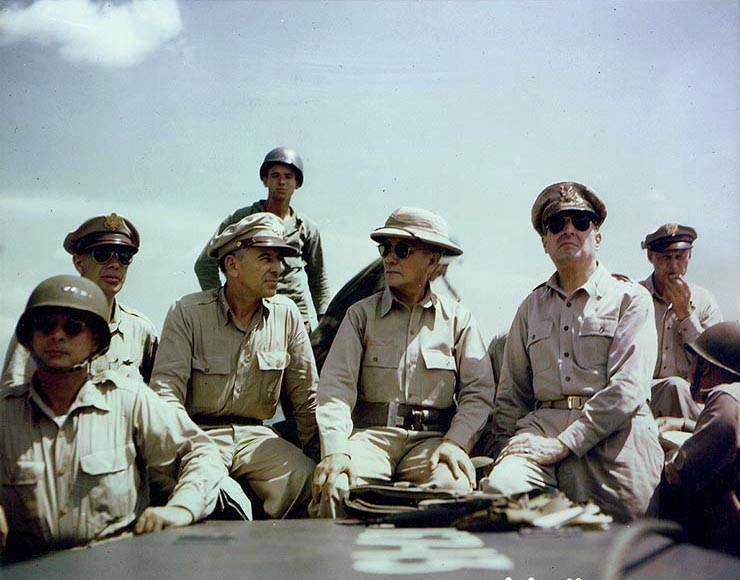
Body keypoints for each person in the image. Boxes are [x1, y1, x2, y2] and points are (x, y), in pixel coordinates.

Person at [0, 276, 224, 559]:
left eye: (72, 328)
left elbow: (201, 452)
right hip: (26, 566)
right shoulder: (5, 414)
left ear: (95, 340)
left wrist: (181, 508)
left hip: (115, 562)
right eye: (46, 325)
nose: (58, 336)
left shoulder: (128, 401)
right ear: (29, 337)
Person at [484, 182, 663, 523]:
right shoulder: (530, 307)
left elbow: (628, 388)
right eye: (557, 224)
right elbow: (511, 395)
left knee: (628, 536)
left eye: (581, 222)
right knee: (501, 491)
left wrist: (565, 444)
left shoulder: (630, 300)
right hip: (540, 436)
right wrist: (504, 451)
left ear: (597, 237)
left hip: (614, 440)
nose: (569, 229)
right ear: (545, 241)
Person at [310, 207, 494, 518]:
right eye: (386, 248)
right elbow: (335, 389)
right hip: (370, 439)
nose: (389, 258)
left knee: (455, 491)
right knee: (336, 487)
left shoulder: (458, 320)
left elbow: (478, 393)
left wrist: (456, 443)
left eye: (402, 249)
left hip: (433, 443)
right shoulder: (360, 315)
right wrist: (336, 448)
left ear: (432, 260)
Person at [152, 213, 318, 519]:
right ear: (232, 265)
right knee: (207, 490)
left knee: (311, 485)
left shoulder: (286, 314)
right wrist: (187, 447)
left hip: (258, 439)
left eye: (279, 259)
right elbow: (165, 395)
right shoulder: (187, 313)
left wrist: (320, 458)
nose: (277, 268)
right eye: (266, 258)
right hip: (200, 435)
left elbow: (307, 397)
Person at [2, 213, 158, 388]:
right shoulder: (43, 324)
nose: (115, 264)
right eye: (102, 254)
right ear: (78, 263)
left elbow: (157, 398)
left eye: (124, 257)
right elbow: (12, 394)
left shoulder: (141, 331)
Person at [194, 147, 330, 331]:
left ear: (298, 183)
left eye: (288, 176)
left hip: (295, 318)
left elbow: (318, 277)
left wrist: (325, 319)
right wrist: (220, 305)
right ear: (265, 180)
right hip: (251, 315)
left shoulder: (306, 227)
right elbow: (205, 264)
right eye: (275, 176)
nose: (281, 182)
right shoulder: (243, 219)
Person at [657, 321, 739, 555]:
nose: (689, 369)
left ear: (709, 367)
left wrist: (669, 459)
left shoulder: (725, 398)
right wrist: (684, 424)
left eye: (695, 361)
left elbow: (685, 470)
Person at [640, 224, 723, 420]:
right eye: (666, 258)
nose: (674, 266)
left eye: (680, 257)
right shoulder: (635, 297)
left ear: (690, 256)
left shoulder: (704, 301)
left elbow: (715, 363)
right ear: (650, 256)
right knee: (673, 387)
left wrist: (686, 315)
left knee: (678, 388)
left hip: (688, 400)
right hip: (642, 394)